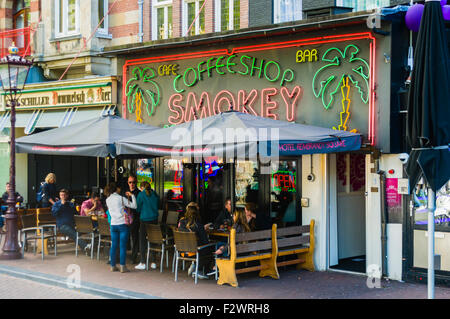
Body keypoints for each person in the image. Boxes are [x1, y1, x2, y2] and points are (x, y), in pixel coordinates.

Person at [105, 182, 137, 273]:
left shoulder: (108, 199)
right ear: (117, 189)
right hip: (122, 224)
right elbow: (134, 206)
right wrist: (132, 196)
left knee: (114, 246)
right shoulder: (121, 198)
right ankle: (123, 267)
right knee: (122, 246)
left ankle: (113, 266)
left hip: (113, 225)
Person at [178, 203, 213, 279]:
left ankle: (194, 265)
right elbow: (205, 241)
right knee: (210, 249)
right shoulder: (198, 225)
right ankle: (200, 270)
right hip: (194, 252)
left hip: (182, 252)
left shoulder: (181, 223)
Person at [135, 181, 159, 271]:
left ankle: (143, 262)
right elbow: (158, 204)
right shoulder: (155, 194)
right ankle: (153, 262)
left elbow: (138, 208)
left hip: (144, 220)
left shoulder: (141, 195)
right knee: (153, 240)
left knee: (142, 240)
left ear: (142, 187)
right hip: (154, 219)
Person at [126, 174, 141, 264]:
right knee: (125, 236)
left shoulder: (139, 193)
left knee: (134, 237)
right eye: (130, 182)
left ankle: (134, 256)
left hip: (135, 218)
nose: (132, 184)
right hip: (126, 218)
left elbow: (138, 207)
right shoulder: (126, 193)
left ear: (136, 182)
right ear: (128, 183)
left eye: (133, 182)